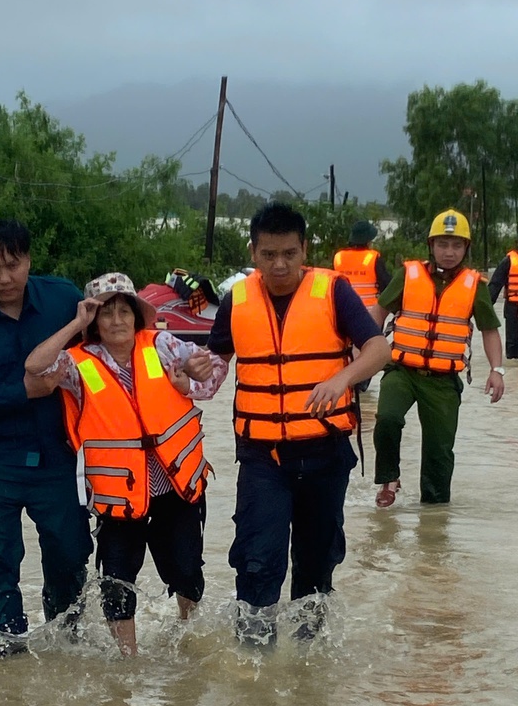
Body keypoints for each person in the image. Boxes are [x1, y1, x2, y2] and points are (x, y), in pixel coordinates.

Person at [206, 202, 391, 645]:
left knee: (315, 566)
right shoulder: (237, 300)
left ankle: (309, 673)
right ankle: (254, 666)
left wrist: (341, 378)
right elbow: (215, 365)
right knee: (257, 560)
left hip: (324, 454)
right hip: (262, 458)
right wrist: (193, 373)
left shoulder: (334, 291)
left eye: (289, 253)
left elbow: (378, 349)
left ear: (304, 249)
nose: (280, 264)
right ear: (253, 252)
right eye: (269, 254)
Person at [25, 272, 228, 656]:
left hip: (175, 486)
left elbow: (214, 374)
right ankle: (128, 661)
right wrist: (75, 324)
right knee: (117, 583)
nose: (117, 320)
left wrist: (193, 381)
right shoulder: (75, 364)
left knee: (186, 573)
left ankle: (188, 640)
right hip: (118, 495)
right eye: (106, 313)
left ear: (137, 316)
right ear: (93, 321)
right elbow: (35, 368)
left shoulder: (163, 344)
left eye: (124, 311)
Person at [0, 219, 93, 658]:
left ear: (28, 259)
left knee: (69, 557)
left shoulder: (63, 299)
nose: (4, 278)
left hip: (59, 457)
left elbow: (114, 346)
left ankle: (66, 648)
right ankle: (6, 662)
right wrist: (23, 390)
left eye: (13, 264)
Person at [370, 208, 504, 508]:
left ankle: (433, 525)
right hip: (401, 370)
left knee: (439, 452)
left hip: (443, 381)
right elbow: (378, 313)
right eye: (443, 244)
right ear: (431, 245)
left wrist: (497, 370)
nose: (449, 252)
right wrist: (362, 355)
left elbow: (490, 331)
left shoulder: (475, 286)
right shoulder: (409, 274)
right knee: (388, 419)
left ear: (466, 249)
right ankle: (389, 479)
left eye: (457, 245)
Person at [333, 219, 392, 392]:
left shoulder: (339, 257)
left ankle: (346, 386)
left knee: (345, 354)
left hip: (340, 313)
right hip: (368, 316)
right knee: (370, 355)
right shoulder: (373, 257)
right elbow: (387, 286)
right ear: (368, 240)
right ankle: (360, 387)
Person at [487, 249, 518, 359]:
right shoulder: (509, 261)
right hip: (513, 307)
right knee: (513, 343)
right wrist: (486, 306)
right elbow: (495, 284)